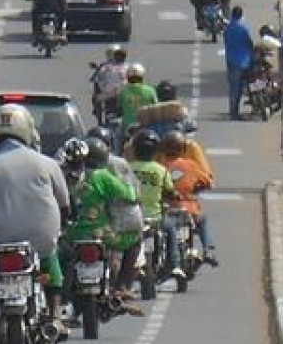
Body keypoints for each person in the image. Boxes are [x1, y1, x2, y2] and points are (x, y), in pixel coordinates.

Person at [0, 103, 72, 344]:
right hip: (42, 239)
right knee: (50, 258)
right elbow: (65, 205)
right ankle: (56, 315)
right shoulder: (47, 164)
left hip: (1, 241)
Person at [63, 136, 143, 315]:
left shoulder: (64, 176)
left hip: (71, 235)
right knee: (135, 241)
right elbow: (129, 195)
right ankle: (121, 286)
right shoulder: (102, 176)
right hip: (101, 234)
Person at [128, 129, 186, 280]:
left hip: (131, 218)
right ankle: (175, 264)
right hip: (155, 218)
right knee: (171, 229)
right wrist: (175, 195)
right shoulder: (161, 170)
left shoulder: (127, 169)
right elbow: (171, 191)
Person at [161, 130, 217, 267]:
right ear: (183, 149)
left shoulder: (159, 167)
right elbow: (208, 182)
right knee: (202, 220)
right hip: (190, 210)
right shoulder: (190, 165)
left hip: (166, 209)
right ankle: (208, 249)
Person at [223, 5, 254, 121]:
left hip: (230, 60)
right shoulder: (243, 28)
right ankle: (234, 113)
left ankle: (233, 111)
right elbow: (249, 42)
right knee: (238, 88)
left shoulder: (228, 28)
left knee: (233, 87)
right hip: (242, 61)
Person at [117, 63, 158, 132]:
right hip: (148, 126)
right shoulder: (150, 90)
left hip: (128, 127)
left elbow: (119, 108)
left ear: (128, 77)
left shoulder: (123, 92)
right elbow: (156, 107)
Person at [94, 46, 128, 118]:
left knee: (96, 98)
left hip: (110, 93)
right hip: (124, 93)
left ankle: (99, 117)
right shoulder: (128, 67)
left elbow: (98, 80)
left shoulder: (105, 66)